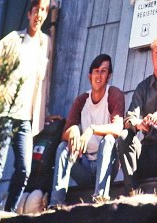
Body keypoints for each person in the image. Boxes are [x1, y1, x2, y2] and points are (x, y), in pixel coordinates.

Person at [0, 0, 52, 212]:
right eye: (36, 10)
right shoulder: (15, 40)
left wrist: (44, 111)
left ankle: (8, 214)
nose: (39, 15)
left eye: (43, 11)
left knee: (24, 169)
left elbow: (43, 82)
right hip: (5, 114)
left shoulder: (45, 44)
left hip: (25, 119)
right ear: (29, 13)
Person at [49, 54, 124, 205]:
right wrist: (74, 131)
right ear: (90, 76)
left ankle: (100, 197)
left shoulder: (114, 94)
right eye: (96, 71)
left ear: (109, 76)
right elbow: (64, 134)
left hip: (107, 164)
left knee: (109, 139)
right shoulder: (82, 100)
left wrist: (91, 129)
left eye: (103, 71)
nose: (99, 75)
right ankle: (56, 203)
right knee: (63, 147)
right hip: (84, 166)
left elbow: (117, 128)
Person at [117, 33, 157, 195]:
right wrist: (139, 123)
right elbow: (129, 118)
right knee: (124, 136)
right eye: (156, 52)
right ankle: (132, 191)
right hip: (148, 151)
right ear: (151, 56)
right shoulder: (143, 87)